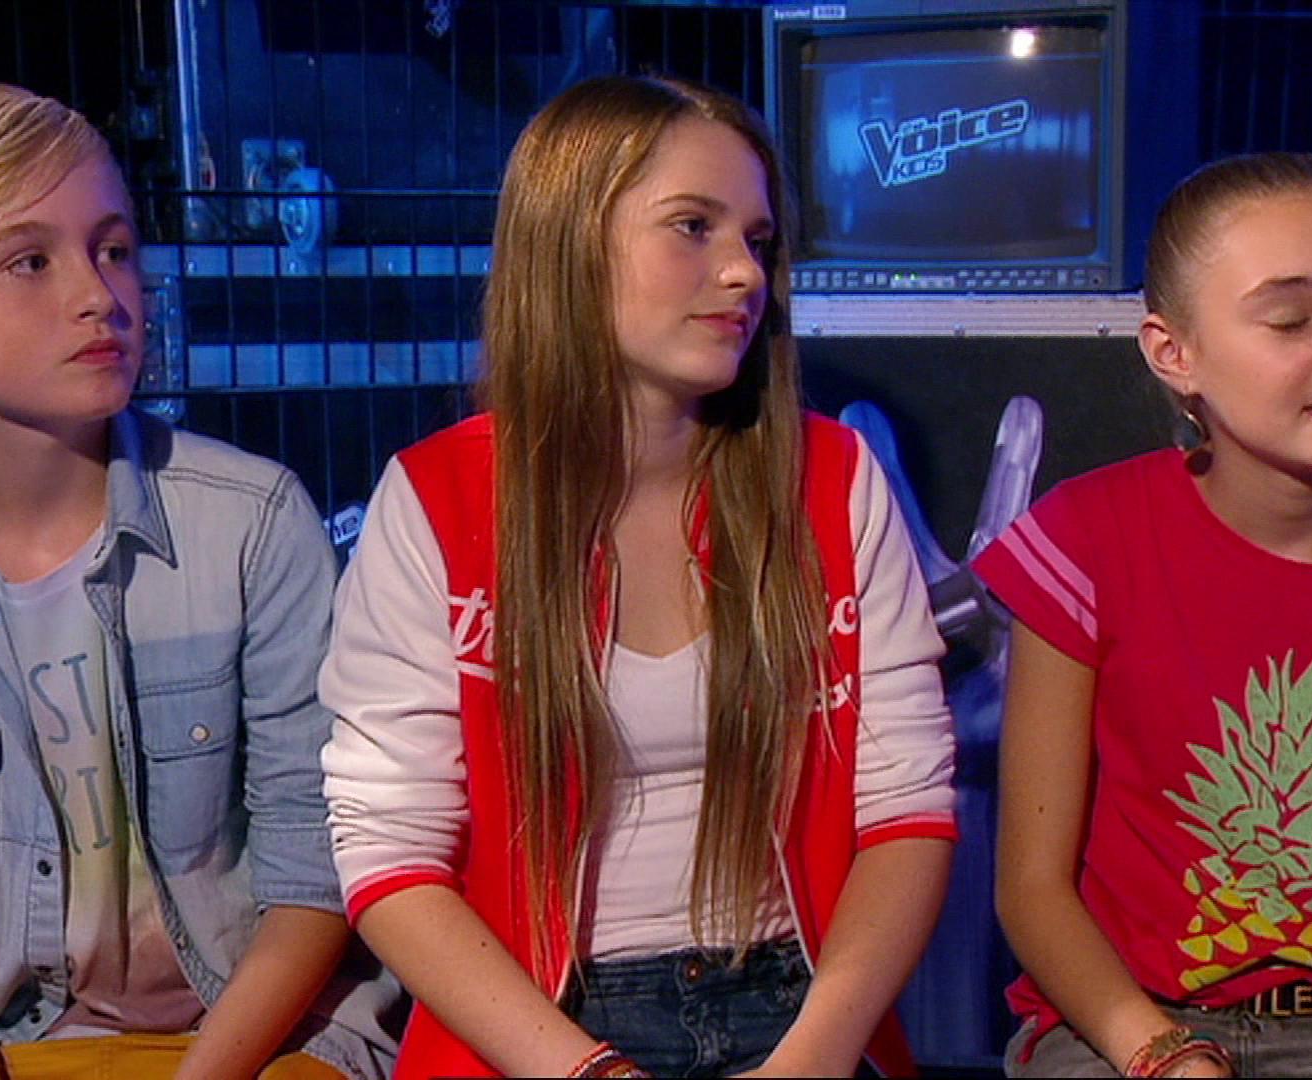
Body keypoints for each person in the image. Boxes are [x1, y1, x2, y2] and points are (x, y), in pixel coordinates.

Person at [319, 74, 957, 1079]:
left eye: (758, 239)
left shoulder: (833, 479)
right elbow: (390, 856)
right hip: (541, 1026)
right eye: (693, 227)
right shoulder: (437, 500)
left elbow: (907, 812)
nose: (743, 273)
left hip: (801, 1010)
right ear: (572, 243)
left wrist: (813, 1057)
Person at [0, 83, 402, 1080]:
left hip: (264, 1037)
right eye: (29, 261)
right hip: (4, 1043)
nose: (99, 295)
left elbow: (315, 863)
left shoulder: (254, 522)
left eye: (113, 249)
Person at [974, 152, 1312, 1077]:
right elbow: (1032, 893)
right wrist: (1167, 1057)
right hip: (1126, 1022)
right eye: (1291, 320)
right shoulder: (1086, 539)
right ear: (1175, 354)